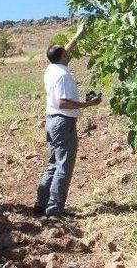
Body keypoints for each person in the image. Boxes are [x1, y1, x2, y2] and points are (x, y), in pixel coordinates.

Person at [34, 24, 102, 216]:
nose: (69, 52)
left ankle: (41, 203)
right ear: (62, 56)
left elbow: (67, 48)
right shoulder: (63, 75)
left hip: (52, 122)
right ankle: (54, 209)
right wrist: (89, 104)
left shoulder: (52, 68)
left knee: (53, 163)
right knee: (64, 166)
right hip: (63, 122)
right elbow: (63, 103)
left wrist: (79, 34)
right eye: (66, 51)